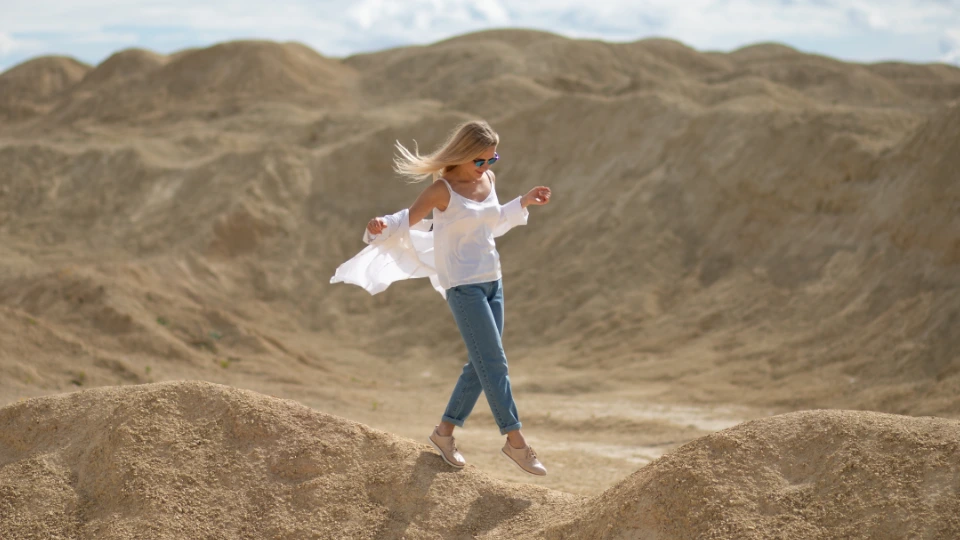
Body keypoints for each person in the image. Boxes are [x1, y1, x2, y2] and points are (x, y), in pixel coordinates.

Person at [351, 120, 551, 476]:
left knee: (480, 364)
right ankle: (515, 441)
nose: (486, 168)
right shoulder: (441, 190)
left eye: (493, 160)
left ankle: (444, 434)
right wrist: (376, 226)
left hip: (494, 282)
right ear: (461, 156)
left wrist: (524, 201)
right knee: (495, 363)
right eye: (480, 161)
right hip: (463, 286)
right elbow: (404, 221)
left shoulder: (487, 181)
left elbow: (493, 221)